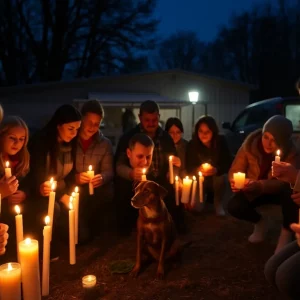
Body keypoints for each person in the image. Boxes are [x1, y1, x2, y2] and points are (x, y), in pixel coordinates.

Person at [227, 115, 299, 252]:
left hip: (277, 192)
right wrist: (236, 182)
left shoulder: (291, 153)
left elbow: (285, 182)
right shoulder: (249, 146)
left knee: (291, 192)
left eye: (274, 140)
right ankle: (260, 222)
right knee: (234, 206)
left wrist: (260, 185)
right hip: (253, 190)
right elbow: (235, 169)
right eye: (265, 137)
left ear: (282, 142)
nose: (268, 143)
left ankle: (286, 233)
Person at [115, 100, 186, 234]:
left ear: (159, 117)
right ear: (140, 117)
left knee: (172, 190)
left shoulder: (165, 137)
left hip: (159, 178)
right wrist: (130, 173)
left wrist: (173, 171)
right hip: (136, 179)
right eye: (147, 120)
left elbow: (174, 160)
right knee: (124, 189)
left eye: (154, 120)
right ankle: (128, 227)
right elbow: (119, 164)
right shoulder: (128, 137)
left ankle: (173, 224)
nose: (151, 123)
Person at [24, 104, 81, 259]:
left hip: (62, 192)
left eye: (77, 129)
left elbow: (70, 175)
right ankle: (45, 246)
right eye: (71, 129)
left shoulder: (71, 144)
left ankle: (64, 238)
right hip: (41, 195)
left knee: (83, 234)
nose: (74, 134)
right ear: (58, 125)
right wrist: (61, 196)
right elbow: (38, 177)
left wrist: (69, 192)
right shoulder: (41, 143)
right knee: (53, 208)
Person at [74, 100, 114, 242]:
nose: (92, 127)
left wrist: (102, 177)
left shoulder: (104, 144)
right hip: (75, 189)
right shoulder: (71, 139)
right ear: (81, 119)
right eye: (89, 122)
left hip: (97, 190)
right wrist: (75, 178)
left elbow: (109, 170)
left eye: (96, 124)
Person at [185, 115, 232, 216]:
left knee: (221, 177)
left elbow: (228, 162)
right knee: (197, 208)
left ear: (213, 132)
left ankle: (218, 203)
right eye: (200, 131)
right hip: (199, 180)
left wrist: (216, 170)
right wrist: (198, 169)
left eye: (207, 132)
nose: (203, 135)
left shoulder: (221, 142)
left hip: (216, 179)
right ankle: (203, 200)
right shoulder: (192, 144)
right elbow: (189, 167)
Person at [0, 116, 30, 260]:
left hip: (17, 208)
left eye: (22, 139)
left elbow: (31, 183)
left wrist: (24, 194)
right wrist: (3, 193)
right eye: (12, 138)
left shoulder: (23, 160)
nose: (17, 143)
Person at [115, 133, 154, 235]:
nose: (145, 162)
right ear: (129, 153)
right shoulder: (121, 176)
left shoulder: (153, 172)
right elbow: (119, 168)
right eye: (140, 156)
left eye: (148, 157)